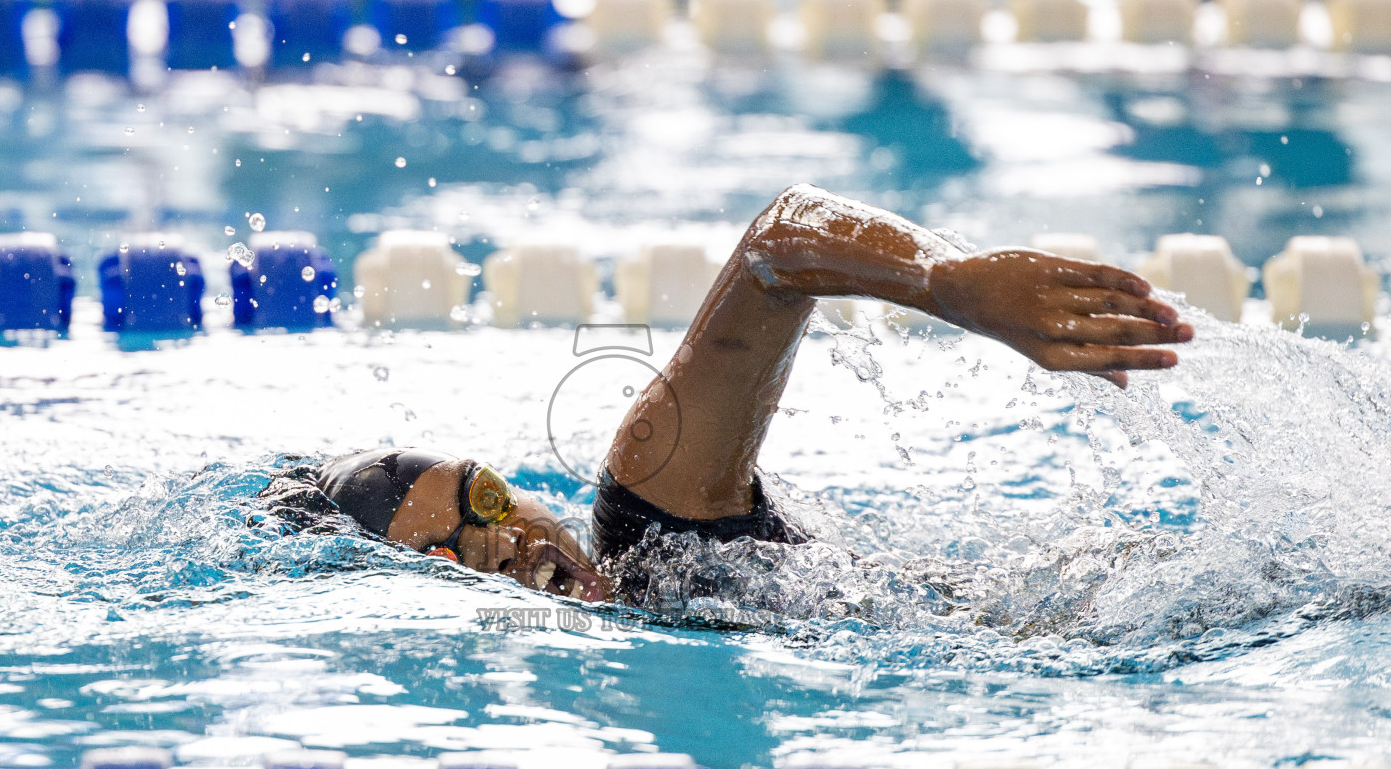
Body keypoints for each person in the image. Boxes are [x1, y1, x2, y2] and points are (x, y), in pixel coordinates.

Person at [261, 185, 1193, 606]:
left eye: (488, 499)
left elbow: (778, 245)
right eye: (448, 552)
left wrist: (947, 283)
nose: (503, 540)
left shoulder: (650, 513)